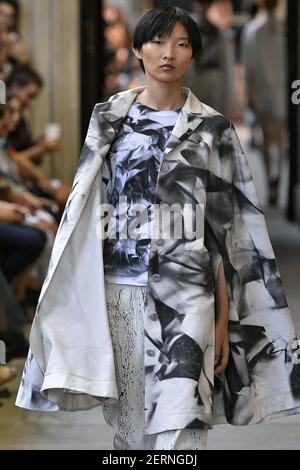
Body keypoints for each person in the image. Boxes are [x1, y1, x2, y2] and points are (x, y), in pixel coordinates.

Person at [16, 6, 300, 451]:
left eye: (182, 44)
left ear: (192, 56)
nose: (168, 53)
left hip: (189, 299)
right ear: (137, 49)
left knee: (182, 431)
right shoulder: (107, 119)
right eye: (157, 42)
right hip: (118, 293)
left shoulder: (213, 130)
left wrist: (223, 318)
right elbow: (85, 211)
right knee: (130, 432)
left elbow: (224, 233)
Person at [241, 0, 287, 206]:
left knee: (267, 139)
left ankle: (271, 177)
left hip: (264, 90)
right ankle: (275, 176)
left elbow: (248, 66)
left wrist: (249, 93)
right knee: (279, 138)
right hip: (281, 89)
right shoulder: (283, 27)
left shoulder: (252, 29)